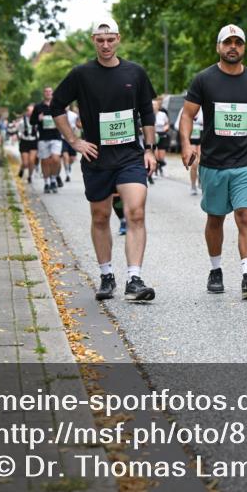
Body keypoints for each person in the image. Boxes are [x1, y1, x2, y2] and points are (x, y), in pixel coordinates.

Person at [51, 18, 158, 302]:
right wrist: (74, 141)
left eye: (110, 39)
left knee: (136, 212)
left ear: (118, 39)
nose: (106, 45)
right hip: (97, 157)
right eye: (100, 40)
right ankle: (106, 275)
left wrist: (149, 149)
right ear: (93, 41)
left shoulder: (135, 72)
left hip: (130, 155)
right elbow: (56, 106)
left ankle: (134, 279)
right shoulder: (81, 74)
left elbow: (147, 112)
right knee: (100, 216)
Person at [179, 24, 247, 300]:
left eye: (238, 42)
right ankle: (215, 270)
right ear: (219, 47)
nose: (233, 47)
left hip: (246, 161)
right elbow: (187, 115)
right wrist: (186, 144)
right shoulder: (204, 80)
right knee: (215, 218)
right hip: (213, 162)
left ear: (244, 47)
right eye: (227, 42)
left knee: (245, 215)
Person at [32, 87, 63, 194]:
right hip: (43, 137)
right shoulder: (38, 107)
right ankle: (46, 183)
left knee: (56, 159)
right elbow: (32, 121)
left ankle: (53, 179)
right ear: (43, 93)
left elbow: (64, 118)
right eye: (46, 91)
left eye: (50, 91)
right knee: (45, 161)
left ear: (52, 93)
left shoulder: (58, 105)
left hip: (56, 136)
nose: (48, 93)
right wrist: (38, 119)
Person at [176, 104, 204, 194]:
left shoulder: (204, 108)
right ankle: (193, 185)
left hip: (202, 137)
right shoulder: (185, 109)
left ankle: (201, 180)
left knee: (202, 162)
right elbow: (178, 125)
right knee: (194, 163)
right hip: (191, 139)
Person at [17, 104, 38, 183]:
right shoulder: (22, 121)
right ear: (27, 112)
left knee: (31, 161)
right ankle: (22, 169)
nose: (31, 113)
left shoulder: (37, 120)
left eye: (32, 111)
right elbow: (19, 131)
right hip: (24, 141)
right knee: (25, 163)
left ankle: (30, 176)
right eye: (29, 111)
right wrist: (19, 135)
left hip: (33, 141)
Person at [61, 102, 80, 182]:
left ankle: (68, 166)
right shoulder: (59, 115)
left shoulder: (74, 115)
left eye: (67, 105)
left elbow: (78, 125)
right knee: (65, 156)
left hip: (72, 139)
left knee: (72, 158)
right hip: (62, 139)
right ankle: (67, 174)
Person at [153, 99, 170, 177]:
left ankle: (161, 169)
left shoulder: (163, 114)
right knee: (155, 155)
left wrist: (166, 127)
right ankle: (155, 171)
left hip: (162, 135)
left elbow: (167, 123)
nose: (154, 106)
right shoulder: (149, 115)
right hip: (153, 135)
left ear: (158, 106)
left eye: (155, 105)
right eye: (152, 105)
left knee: (161, 157)